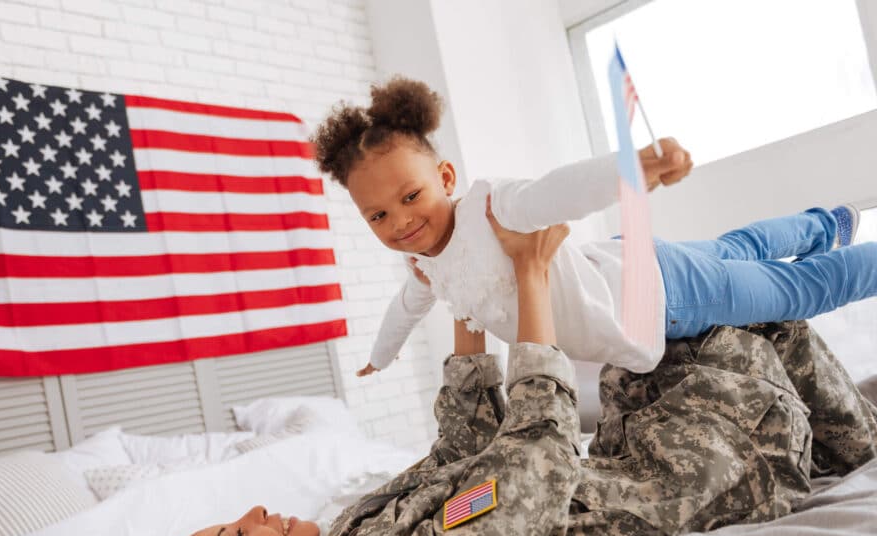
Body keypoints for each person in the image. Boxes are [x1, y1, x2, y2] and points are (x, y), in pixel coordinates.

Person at [142, 209, 877, 536]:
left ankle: (823, 228)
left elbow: (462, 453)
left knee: (656, 283)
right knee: (746, 317)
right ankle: (858, 442)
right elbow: (532, 469)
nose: (254, 516)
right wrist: (529, 280)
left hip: (628, 447)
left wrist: (463, 294)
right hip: (699, 474)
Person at [309, 77, 874, 376]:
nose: (401, 221)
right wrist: (380, 357)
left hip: (661, 293)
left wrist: (639, 168)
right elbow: (403, 310)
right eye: (377, 215)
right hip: (627, 262)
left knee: (792, 290)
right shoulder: (426, 268)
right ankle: (829, 221)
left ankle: (842, 240)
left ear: (446, 176)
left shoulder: (492, 209)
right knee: (737, 248)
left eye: (411, 196)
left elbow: (562, 190)